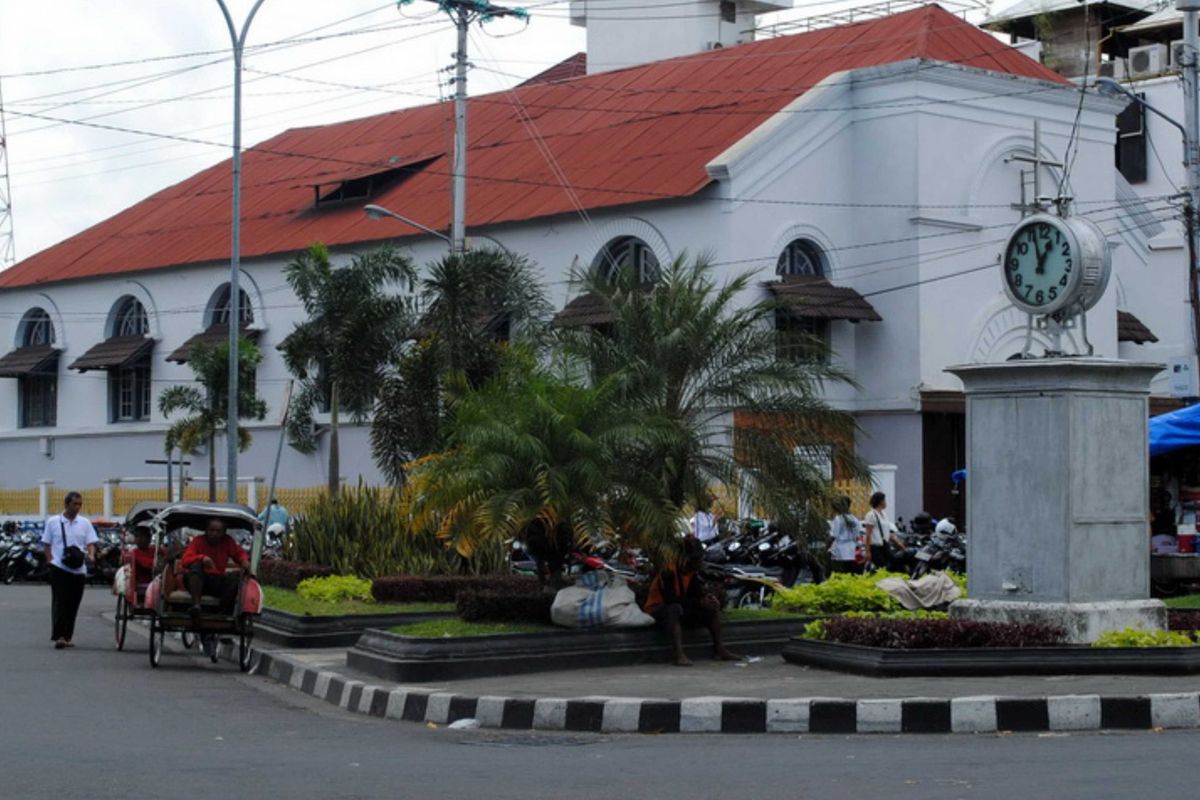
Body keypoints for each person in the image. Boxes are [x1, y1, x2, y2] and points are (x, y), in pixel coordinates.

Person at [643, 537, 742, 666]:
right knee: (674, 608)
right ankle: (678, 654)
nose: (699, 562)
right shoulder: (669, 571)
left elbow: (695, 594)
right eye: (696, 559)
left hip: (681, 608)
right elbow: (671, 599)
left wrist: (708, 598)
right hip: (658, 610)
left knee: (711, 609)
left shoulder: (691, 573)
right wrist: (699, 602)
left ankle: (720, 649)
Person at [41, 491, 98, 649]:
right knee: (60, 602)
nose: (78, 507)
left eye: (80, 504)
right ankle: (59, 636)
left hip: (78, 569)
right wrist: (50, 561)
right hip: (59, 567)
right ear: (66, 504)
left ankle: (67, 636)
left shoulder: (85, 523)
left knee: (73, 603)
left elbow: (90, 543)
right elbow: (46, 544)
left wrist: (91, 555)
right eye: (75, 504)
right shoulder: (53, 522)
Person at [179, 518, 252, 618]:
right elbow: (185, 560)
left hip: (216, 582)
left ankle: (222, 613)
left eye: (218, 531)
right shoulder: (198, 541)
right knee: (195, 566)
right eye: (211, 530)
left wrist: (244, 561)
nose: (214, 534)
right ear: (206, 530)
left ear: (223, 532)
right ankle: (196, 605)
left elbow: (239, 554)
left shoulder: (228, 541)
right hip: (197, 582)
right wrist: (202, 558)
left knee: (236, 578)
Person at [863, 492, 906, 570]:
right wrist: (867, 551)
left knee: (895, 563)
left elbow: (887, 533)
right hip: (875, 547)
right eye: (884, 500)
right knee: (883, 567)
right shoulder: (871, 515)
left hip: (885, 545)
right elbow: (868, 534)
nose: (886, 502)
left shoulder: (884, 515)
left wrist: (898, 543)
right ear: (880, 501)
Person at [828, 495, 863, 574]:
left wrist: (828, 547)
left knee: (840, 573)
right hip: (852, 550)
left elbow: (833, 536)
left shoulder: (838, 518)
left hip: (840, 550)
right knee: (850, 573)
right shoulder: (855, 519)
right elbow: (857, 536)